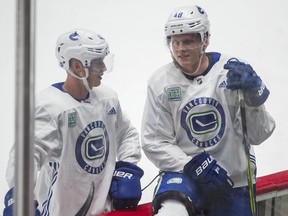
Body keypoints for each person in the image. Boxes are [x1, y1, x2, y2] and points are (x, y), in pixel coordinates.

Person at [141, 5, 276, 216]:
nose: (180, 49)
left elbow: (259, 135)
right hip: (185, 174)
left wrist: (254, 101)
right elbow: (154, 141)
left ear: (205, 40)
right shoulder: (160, 82)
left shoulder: (231, 71)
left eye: (188, 41)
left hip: (233, 179)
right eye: (175, 42)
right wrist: (192, 164)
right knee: (171, 212)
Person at [3, 29, 144, 215]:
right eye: (96, 63)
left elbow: (126, 133)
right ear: (77, 66)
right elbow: (27, 155)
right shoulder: (50, 107)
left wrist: (127, 167)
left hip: (104, 210)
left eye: (103, 61)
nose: (103, 68)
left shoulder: (107, 98)